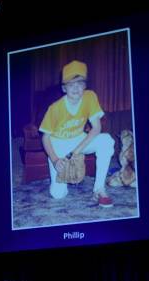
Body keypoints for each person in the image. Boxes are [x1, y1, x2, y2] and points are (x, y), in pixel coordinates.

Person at [40, 60, 115, 207]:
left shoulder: (90, 96)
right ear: (64, 88)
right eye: (71, 84)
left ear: (85, 86)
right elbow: (45, 137)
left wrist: (77, 151)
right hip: (58, 144)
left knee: (106, 141)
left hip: (78, 140)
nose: (76, 88)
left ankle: (99, 188)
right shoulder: (55, 108)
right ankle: (62, 183)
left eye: (80, 83)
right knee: (58, 195)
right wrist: (55, 160)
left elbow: (96, 128)